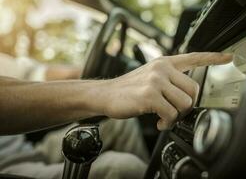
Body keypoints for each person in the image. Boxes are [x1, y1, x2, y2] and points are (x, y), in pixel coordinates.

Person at [0, 52, 232, 178]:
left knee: (122, 125)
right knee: (123, 169)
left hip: (24, 150)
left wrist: (104, 69)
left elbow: (34, 73)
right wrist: (106, 90)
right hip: (6, 167)